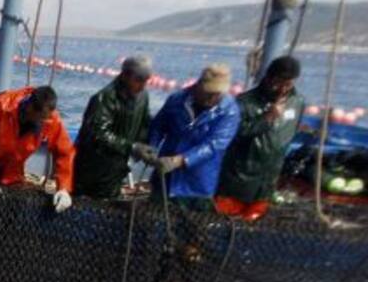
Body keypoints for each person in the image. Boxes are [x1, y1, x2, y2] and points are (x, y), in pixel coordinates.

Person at [0, 85, 75, 213]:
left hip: (10, 177)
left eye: (45, 119)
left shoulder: (50, 119)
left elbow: (64, 152)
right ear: (30, 108)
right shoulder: (1, 105)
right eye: (40, 118)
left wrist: (63, 188)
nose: (43, 122)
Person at [215, 55, 305, 221]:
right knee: (222, 221)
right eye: (278, 83)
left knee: (254, 224)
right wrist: (266, 118)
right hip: (238, 178)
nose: (282, 89)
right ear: (269, 78)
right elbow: (232, 134)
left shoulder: (297, 102)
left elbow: (290, 133)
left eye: (288, 84)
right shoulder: (244, 103)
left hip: (268, 180)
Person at [147, 63, 241, 209]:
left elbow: (215, 144)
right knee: (154, 216)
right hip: (166, 175)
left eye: (217, 94)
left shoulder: (229, 111)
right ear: (199, 85)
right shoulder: (177, 100)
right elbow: (158, 126)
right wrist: (151, 147)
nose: (212, 98)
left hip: (198, 182)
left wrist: (182, 160)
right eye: (209, 93)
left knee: (194, 226)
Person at [73, 55, 155, 200]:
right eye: (139, 80)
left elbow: (145, 123)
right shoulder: (103, 98)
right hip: (92, 168)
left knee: (110, 203)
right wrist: (132, 147)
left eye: (145, 81)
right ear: (125, 75)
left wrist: (147, 146)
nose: (142, 85)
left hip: (117, 168)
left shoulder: (143, 96)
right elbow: (98, 134)